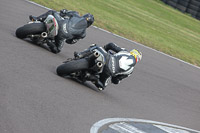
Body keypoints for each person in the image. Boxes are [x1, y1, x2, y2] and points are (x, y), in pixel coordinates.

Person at [74, 43, 142, 90]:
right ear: (138, 59)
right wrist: (115, 78)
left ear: (132, 52)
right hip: (108, 72)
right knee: (102, 86)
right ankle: (91, 77)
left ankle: (80, 54)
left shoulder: (125, 52)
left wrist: (105, 49)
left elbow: (111, 45)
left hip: (107, 58)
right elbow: (115, 80)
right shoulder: (130, 71)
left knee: (96, 46)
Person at [29, 9, 94, 53]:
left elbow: (63, 12)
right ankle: (48, 41)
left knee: (52, 12)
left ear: (83, 16)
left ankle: (37, 19)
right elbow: (70, 41)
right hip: (63, 35)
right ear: (89, 24)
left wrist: (63, 13)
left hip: (60, 23)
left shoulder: (75, 14)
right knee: (57, 50)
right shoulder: (83, 34)